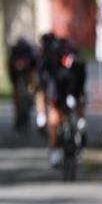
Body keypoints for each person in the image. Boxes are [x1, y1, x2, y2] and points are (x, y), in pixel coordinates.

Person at [36, 34, 87, 167]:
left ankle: (55, 151)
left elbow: (43, 82)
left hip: (59, 91)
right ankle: (80, 127)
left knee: (54, 116)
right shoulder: (72, 57)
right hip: (69, 90)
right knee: (60, 112)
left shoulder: (48, 58)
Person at [7, 37, 38, 130]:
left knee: (18, 92)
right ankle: (28, 99)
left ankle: (25, 101)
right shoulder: (27, 52)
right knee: (22, 90)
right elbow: (34, 67)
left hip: (19, 75)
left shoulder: (15, 52)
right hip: (20, 75)